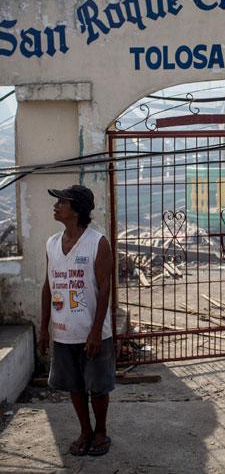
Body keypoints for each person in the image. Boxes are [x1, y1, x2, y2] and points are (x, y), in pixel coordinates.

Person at [37, 184, 114, 457]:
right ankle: (85, 431)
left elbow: (105, 289)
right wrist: (45, 328)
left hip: (92, 333)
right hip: (62, 332)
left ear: (77, 209)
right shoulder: (51, 244)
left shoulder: (98, 242)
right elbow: (48, 287)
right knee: (75, 387)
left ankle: (101, 431)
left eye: (62, 202)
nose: (56, 206)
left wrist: (95, 331)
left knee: (98, 387)